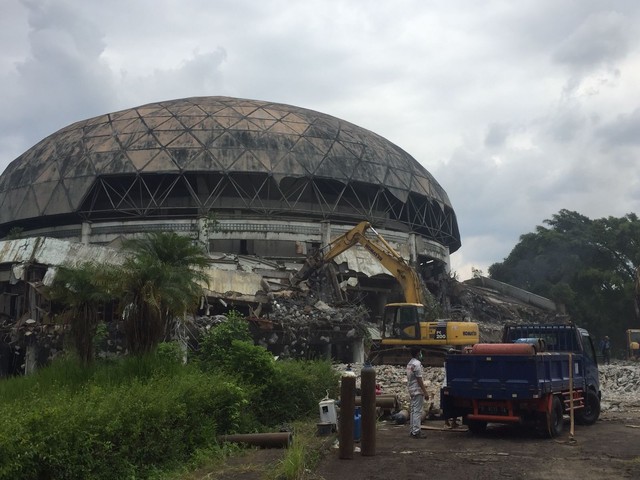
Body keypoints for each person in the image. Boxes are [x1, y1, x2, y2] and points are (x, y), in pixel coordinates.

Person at [406, 347, 429, 438]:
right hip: (417, 390)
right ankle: (416, 431)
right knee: (417, 411)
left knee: (413, 410)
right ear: (418, 353)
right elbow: (419, 379)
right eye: (420, 353)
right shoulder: (417, 364)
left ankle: (412, 430)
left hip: (411, 389)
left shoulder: (409, 363)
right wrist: (425, 392)